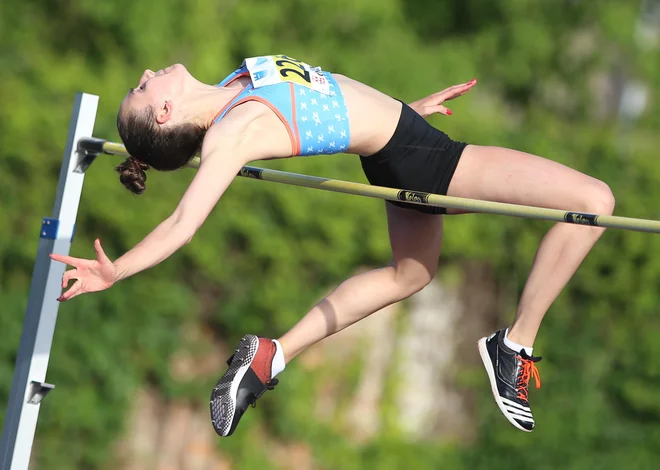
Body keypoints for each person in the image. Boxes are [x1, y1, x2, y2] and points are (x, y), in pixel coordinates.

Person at [50, 54, 615, 437]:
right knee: (593, 200)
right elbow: (182, 223)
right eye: (143, 88)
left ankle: (274, 355)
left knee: (410, 275)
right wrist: (116, 270)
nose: (148, 72)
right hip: (426, 162)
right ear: (164, 112)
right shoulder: (233, 129)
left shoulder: (231, 88)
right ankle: (514, 344)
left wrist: (401, 114)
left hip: (403, 147)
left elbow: (330, 104)